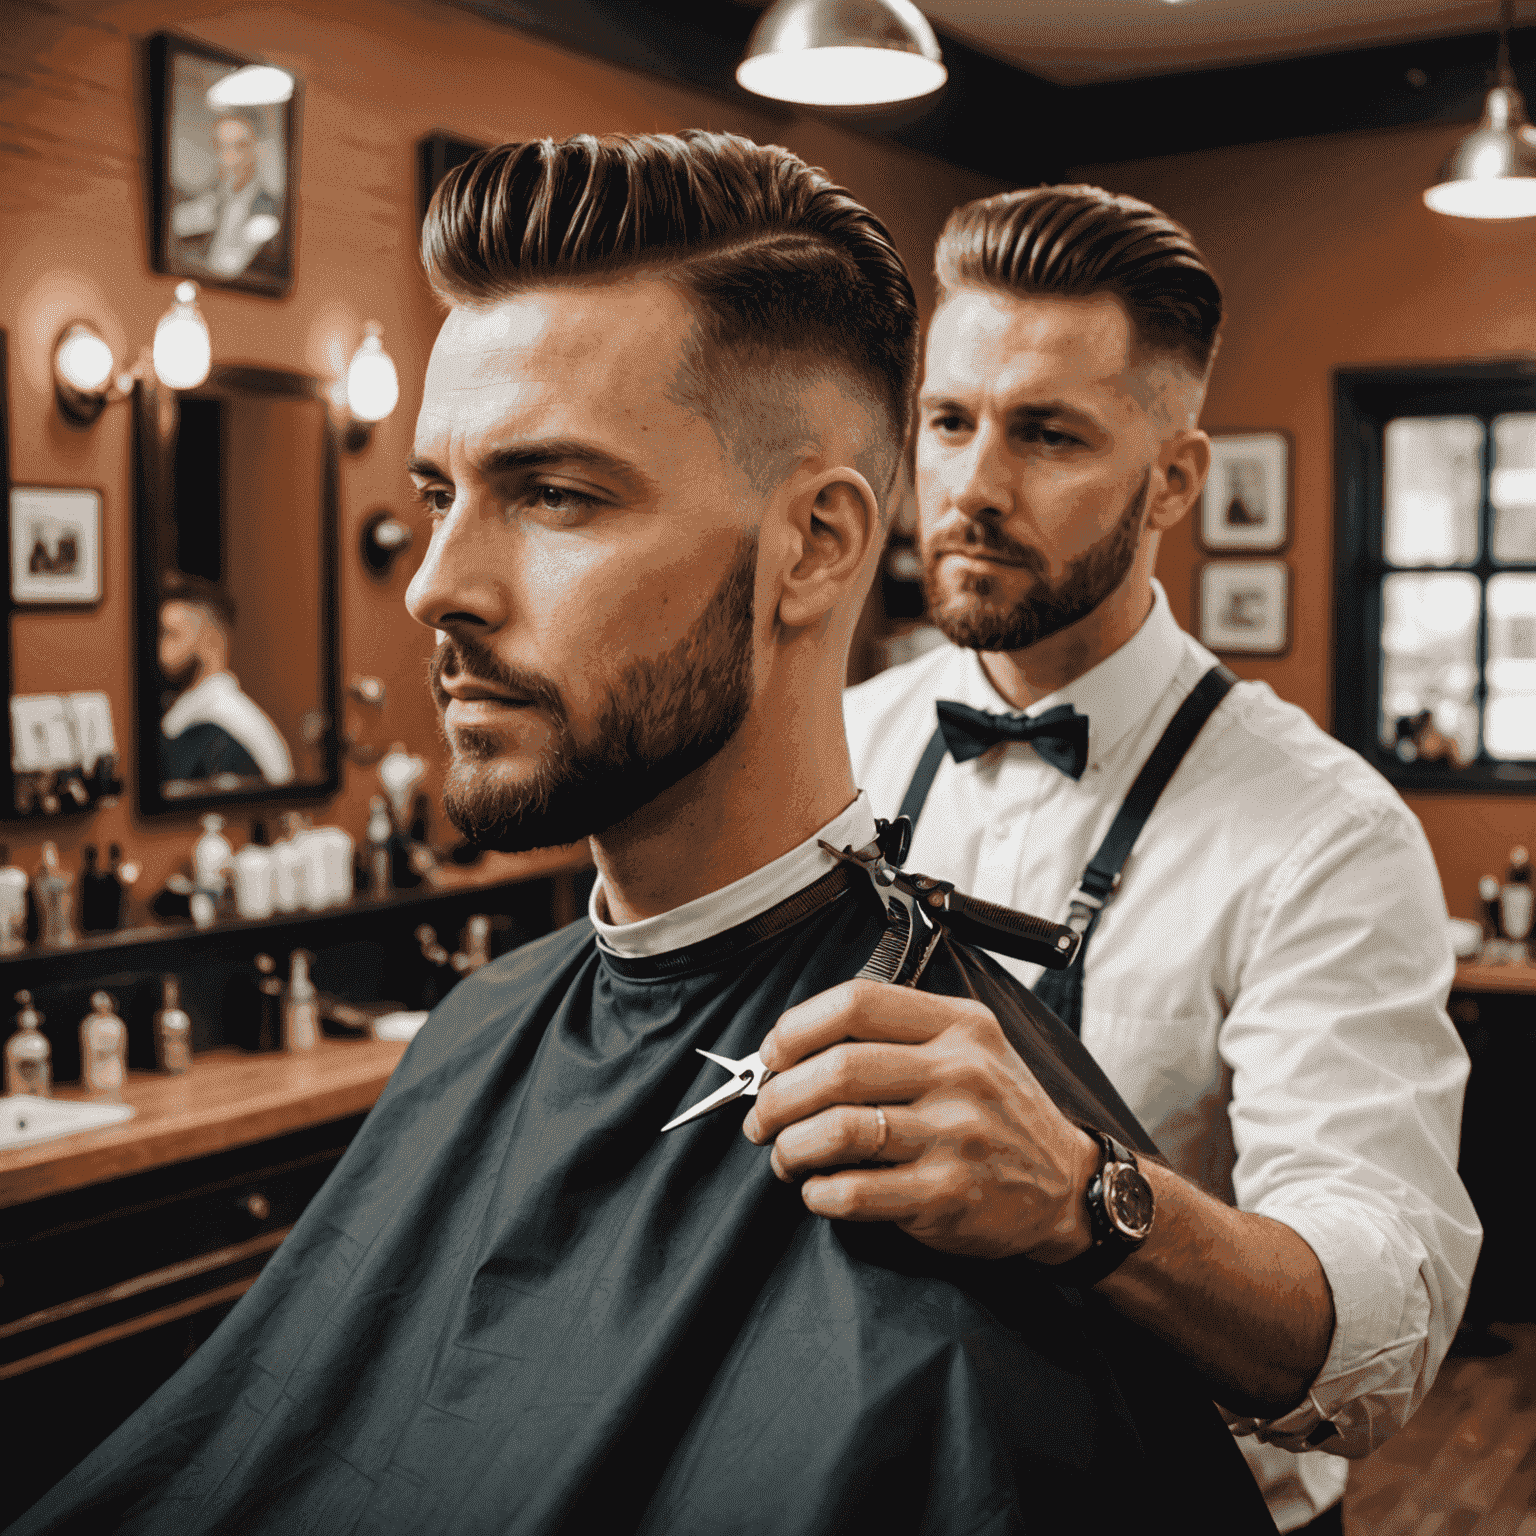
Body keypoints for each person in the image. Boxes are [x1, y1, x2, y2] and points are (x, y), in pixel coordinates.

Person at [10, 134, 1276, 1535]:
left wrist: (1098, 1207)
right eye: (441, 494)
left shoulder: (980, 1155)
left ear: (813, 548)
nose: (438, 585)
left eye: (555, 495)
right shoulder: (483, 1023)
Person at [840, 184, 1481, 1533]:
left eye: (1048, 434)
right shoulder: (825, 753)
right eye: (948, 422)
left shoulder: (1329, 834)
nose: (970, 487)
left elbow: (1379, 1332)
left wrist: (1085, 1201)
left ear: (1175, 480)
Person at [158, 572, 294, 786]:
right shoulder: (190, 720)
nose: (160, 651)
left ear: (210, 640)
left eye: (171, 635)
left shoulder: (224, 735)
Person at [169, 109, 282, 281]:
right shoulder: (214, 199)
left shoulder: (268, 212)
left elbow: (227, 269)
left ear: (258, 150)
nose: (229, 158)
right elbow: (173, 225)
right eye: (221, 147)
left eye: (240, 146)